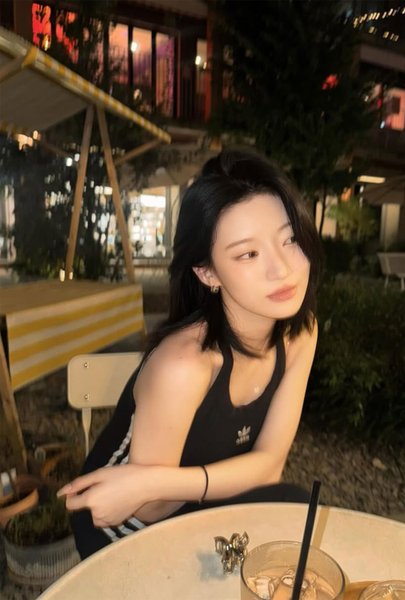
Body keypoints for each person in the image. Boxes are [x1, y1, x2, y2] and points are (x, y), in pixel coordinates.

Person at [58, 147, 321, 559]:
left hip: (180, 497)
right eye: (249, 254)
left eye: (289, 239)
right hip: (124, 525)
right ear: (207, 272)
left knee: (295, 507)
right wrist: (152, 488)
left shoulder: (301, 333)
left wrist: (151, 481)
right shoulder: (184, 365)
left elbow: (269, 465)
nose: (282, 269)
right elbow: (149, 508)